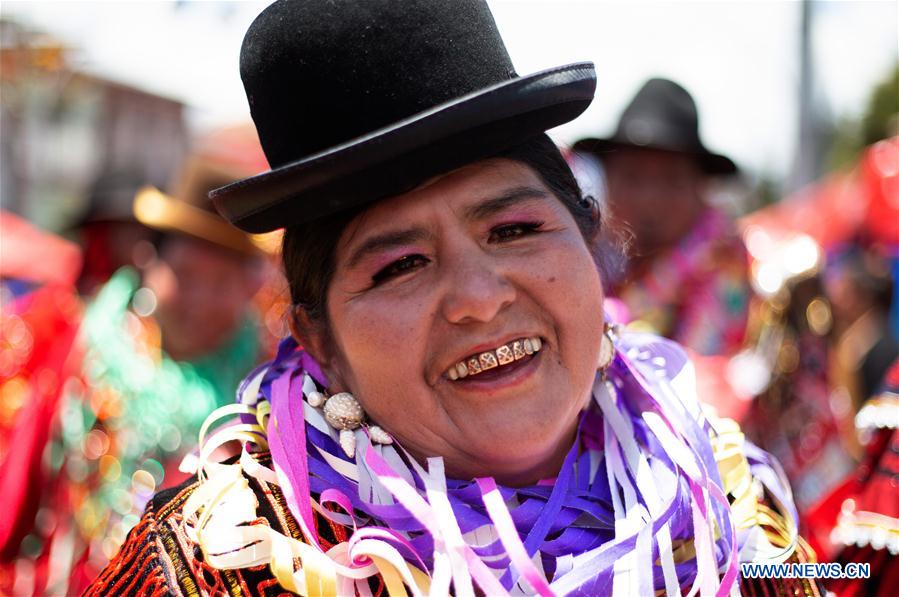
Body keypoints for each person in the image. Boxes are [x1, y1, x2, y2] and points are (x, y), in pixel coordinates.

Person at [88, 2, 819, 595]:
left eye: (513, 228)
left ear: (590, 245)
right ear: (319, 343)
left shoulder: (731, 508)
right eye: (400, 264)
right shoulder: (220, 565)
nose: (476, 298)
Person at [1, 144, 269, 595]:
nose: (200, 301)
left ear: (249, 287)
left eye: (221, 282)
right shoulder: (69, 343)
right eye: (184, 275)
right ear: (149, 263)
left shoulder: (268, 387)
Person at [573, 78, 751, 358]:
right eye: (633, 177)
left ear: (699, 188)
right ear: (608, 181)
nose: (650, 199)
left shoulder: (725, 264)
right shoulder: (595, 258)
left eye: (671, 180)